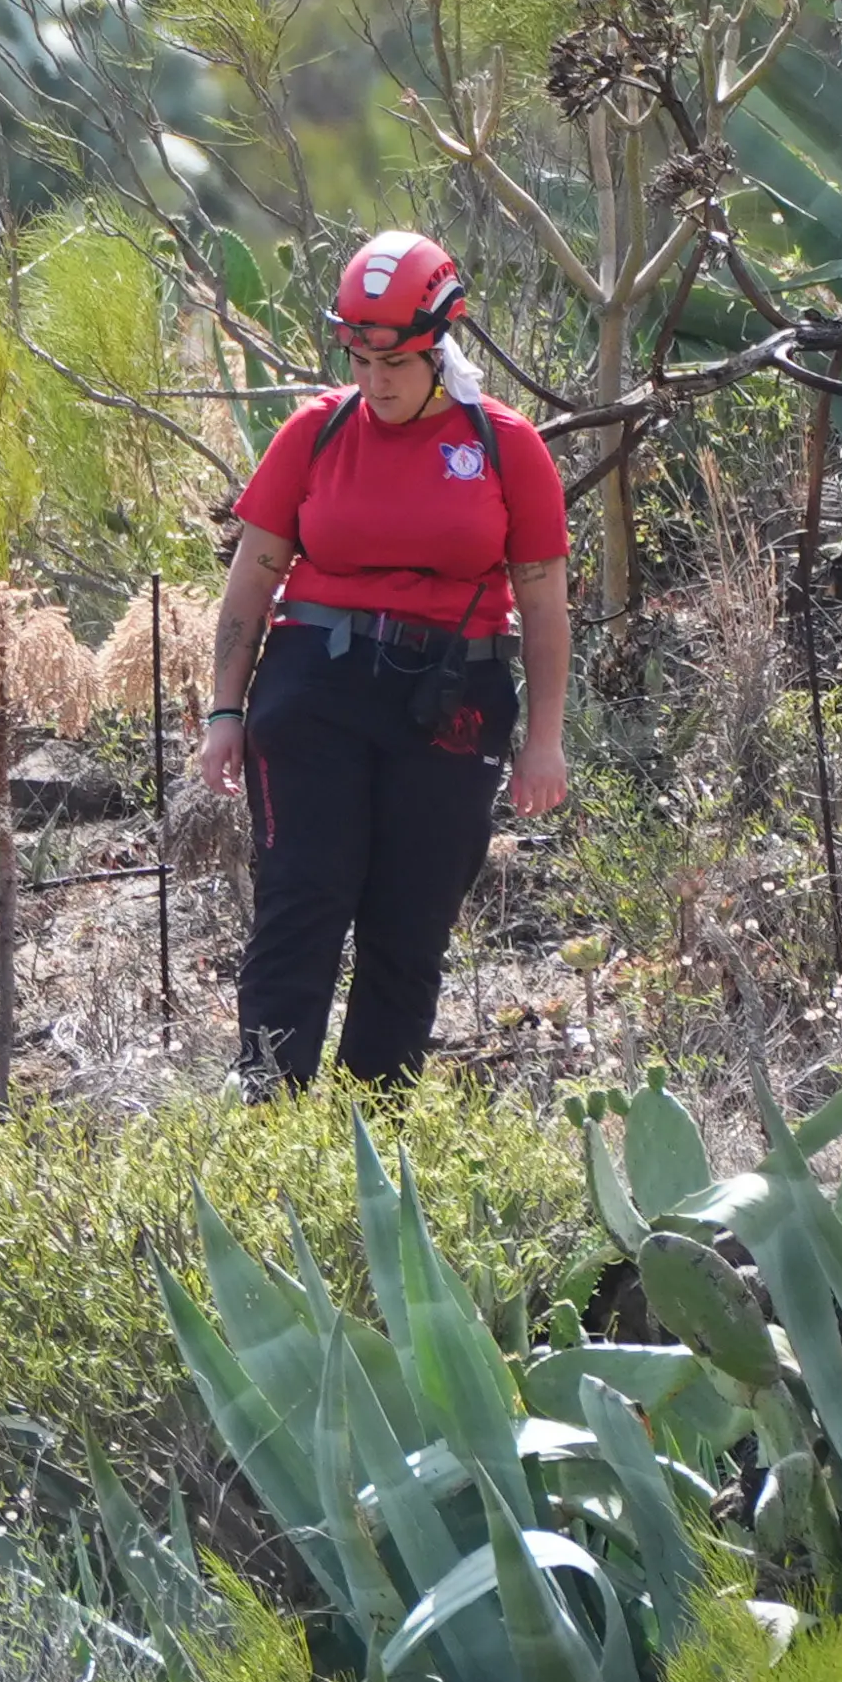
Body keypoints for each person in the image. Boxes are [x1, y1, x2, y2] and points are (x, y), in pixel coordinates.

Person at [196, 232, 571, 1088]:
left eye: (395, 361)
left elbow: (545, 604)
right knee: (304, 899)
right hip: (314, 685)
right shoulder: (315, 432)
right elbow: (253, 577)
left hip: (452, 694)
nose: (376, 382)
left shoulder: (505, 446)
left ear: (440, 345)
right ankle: (269, 1109)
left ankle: (377, 1126)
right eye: (360, 360)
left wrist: (543, 739)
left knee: (411, 921)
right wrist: (224, 711)